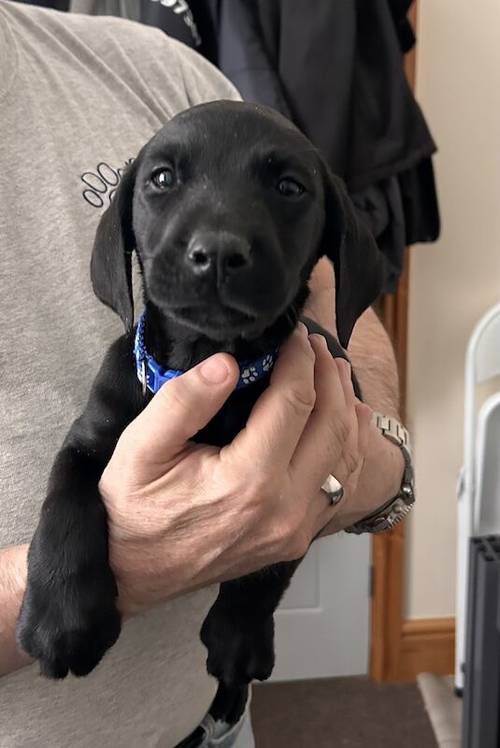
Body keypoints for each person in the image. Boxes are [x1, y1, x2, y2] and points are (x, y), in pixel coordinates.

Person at [0, 2, 406, 746]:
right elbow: (83, 459)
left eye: (285, 190)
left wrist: (372, 465)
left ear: (334, 246)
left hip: (212, 728)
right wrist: (84, 568)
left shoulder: (155, 62)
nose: (217, 239)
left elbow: (331, 471)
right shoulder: (123, 379)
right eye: (165, 180)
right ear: (119, 238)